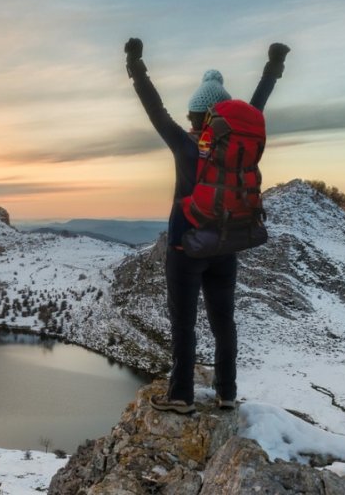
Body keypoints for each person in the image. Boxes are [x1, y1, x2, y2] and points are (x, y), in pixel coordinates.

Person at [123, 37, 289, 414]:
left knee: (184, 323)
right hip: (226, 246)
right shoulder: (238, 144)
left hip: (185, 247)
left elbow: (154, 107)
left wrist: (135, 65)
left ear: (196, 117)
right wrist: (274, 66)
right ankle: (226, 392)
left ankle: (180, 395)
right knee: (223, 321)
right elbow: (257, 105)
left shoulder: (185, 145)